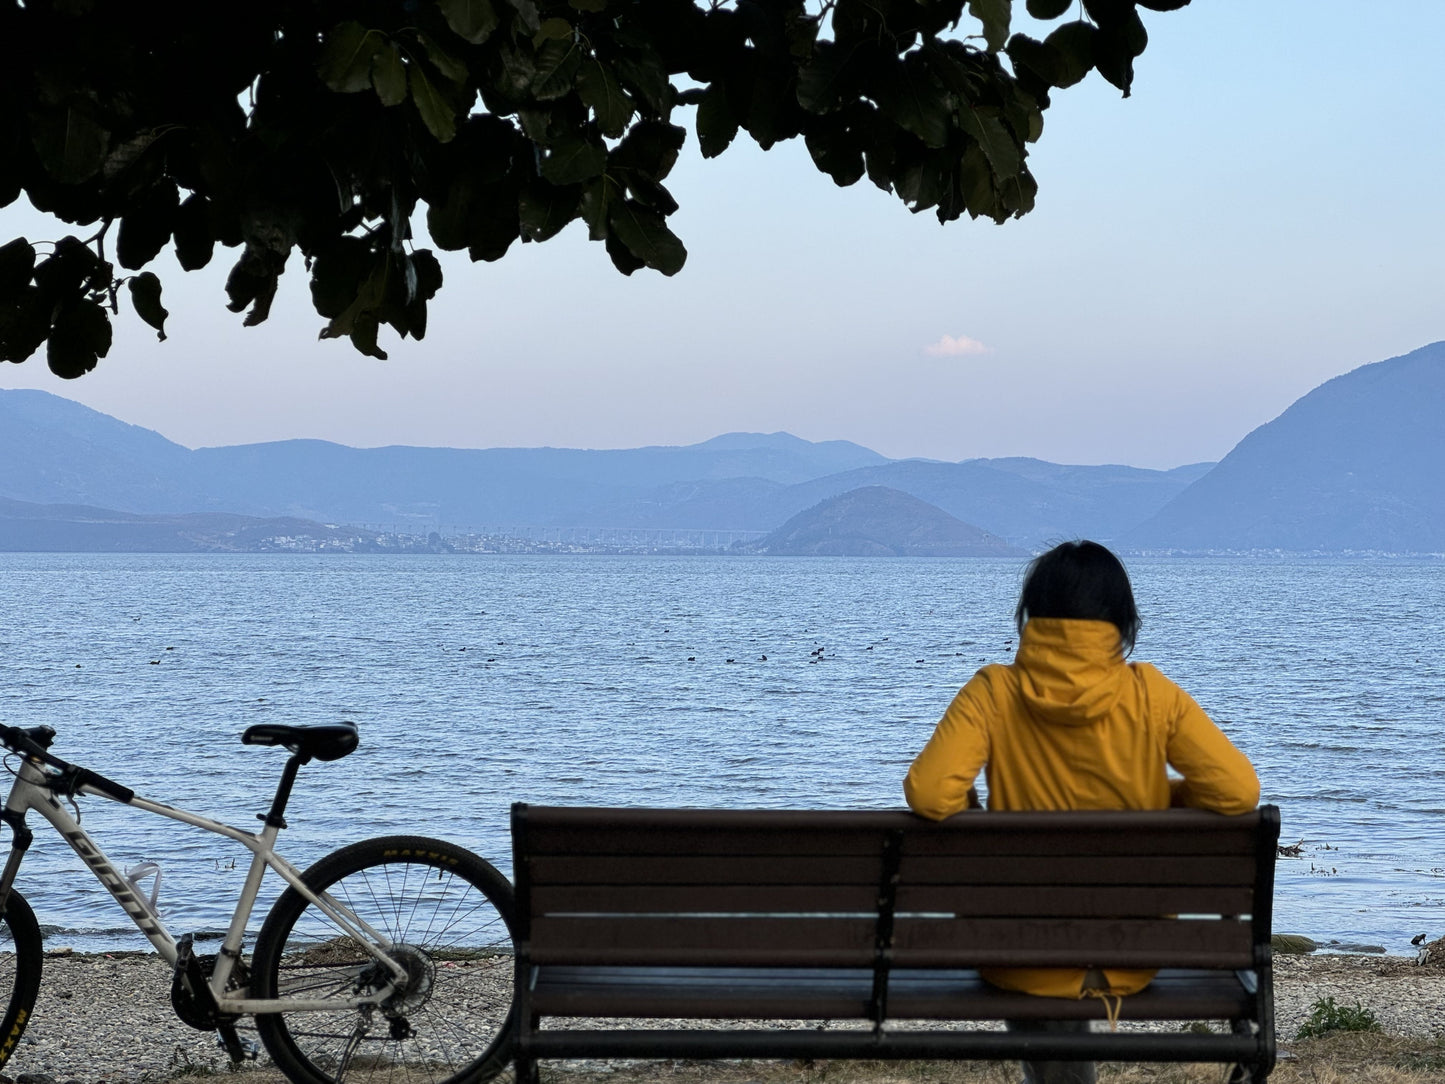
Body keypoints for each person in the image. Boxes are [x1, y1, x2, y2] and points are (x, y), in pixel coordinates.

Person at [902, 540, 1259, 1084]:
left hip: (1021, 954)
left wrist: (971, 807)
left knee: (1041, 982)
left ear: (1031, 614)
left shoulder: (994, 692)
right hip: (1130, 953)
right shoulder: (1152, 695)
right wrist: (1166, 799)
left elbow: (930, 795)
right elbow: (1237, 792)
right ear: (1122, 618)